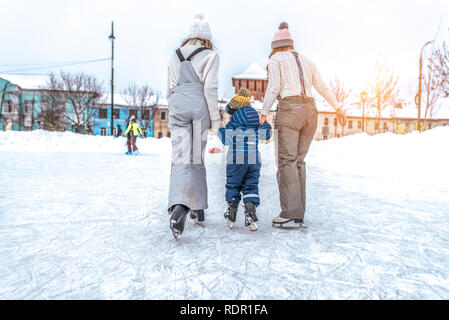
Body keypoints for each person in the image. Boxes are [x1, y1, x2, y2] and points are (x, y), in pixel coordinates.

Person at [260, 22, 346, 228]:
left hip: (290, 110)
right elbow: (322, 86)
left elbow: (274, 87)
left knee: (286, 161)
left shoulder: (275, 59)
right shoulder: (307, 60)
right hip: (310, 111)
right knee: (298, 161)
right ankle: (298, 213)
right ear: (291, 43)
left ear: (275, 46)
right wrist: (338, 107)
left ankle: (289, 213)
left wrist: (264, 112)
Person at [166, 12, 221, 238]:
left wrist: (175, 105)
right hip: (199, 106)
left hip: (178, 104)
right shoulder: (211, 55)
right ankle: (196, 209)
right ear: (207, 38)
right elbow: (210, 89)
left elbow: (168, 88)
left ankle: (178, 206)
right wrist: (215, 119)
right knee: (196, 158)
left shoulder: (174, 56)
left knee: (180, 157)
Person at [218, 88, 272, 231]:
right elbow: (265, 135)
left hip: (236, 157)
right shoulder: (255, 119)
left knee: (233, 184)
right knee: (251, 185)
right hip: (253, 158)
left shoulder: (234, 120)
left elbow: (226, 139)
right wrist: (265, 124)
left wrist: (221, 130)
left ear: (235, 109)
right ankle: (250, 211)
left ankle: (231, 212)